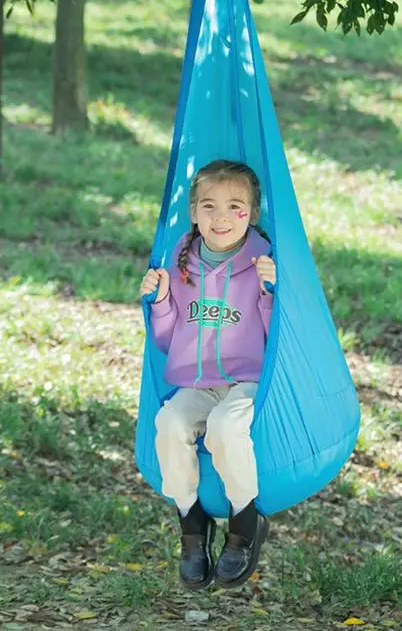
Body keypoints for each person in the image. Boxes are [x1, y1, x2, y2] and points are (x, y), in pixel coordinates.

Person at [139, 159, 276, 590]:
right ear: (194, 213)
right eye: (209, 206)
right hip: (197, 383)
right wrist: (160, 302)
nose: (221, 217)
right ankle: (192, 523)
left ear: (250, 214)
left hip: (248, 380)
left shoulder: (263, 263)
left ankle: (245, 521)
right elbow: (165, 341)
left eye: (234, 206)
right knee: (169, 423)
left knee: (224, 427)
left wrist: (274, 292)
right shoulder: (181, 264)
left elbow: (281, 340)